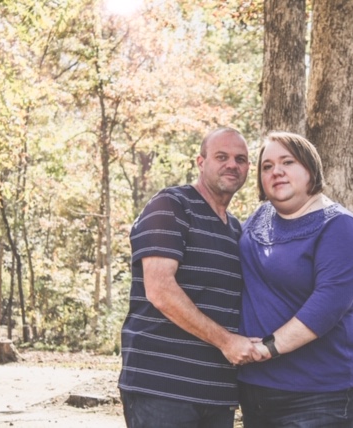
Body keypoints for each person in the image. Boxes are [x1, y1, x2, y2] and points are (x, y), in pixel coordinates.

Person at [118, 127, 264, 428]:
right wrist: (227, 341)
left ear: (248, 168)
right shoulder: (171, 205)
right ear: (201, 162)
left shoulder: (236, 230)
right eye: (221, 157)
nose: (232, 165)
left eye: (240, 159)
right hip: (162, 388)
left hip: (217, 392)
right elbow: (159, 290)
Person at [237, 131, 353, 428]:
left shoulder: (341, 229)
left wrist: (266, 348)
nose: (277, 171)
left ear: (311, 169)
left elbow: (325, 307)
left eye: (288, 162)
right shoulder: (257, 220)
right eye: (267, 166)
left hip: (320, 392)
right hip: (256, 387)